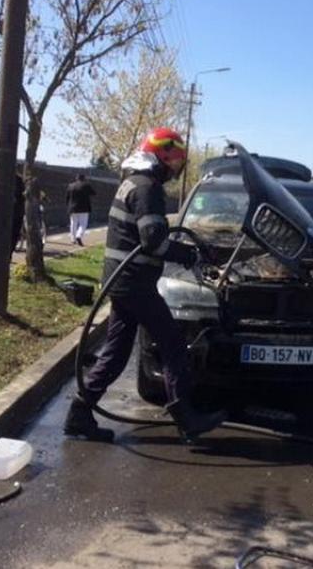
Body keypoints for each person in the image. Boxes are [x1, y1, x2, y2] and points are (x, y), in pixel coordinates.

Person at [64, 127, 227, 442]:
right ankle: (185, 415)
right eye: (176, 161)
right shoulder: (147, 187)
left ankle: (79, 414)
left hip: (124, 281)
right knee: (173, 344)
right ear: (162, 154)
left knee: (116, 351)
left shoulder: (134, 181)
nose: (175, 169)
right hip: (134, 283)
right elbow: (152, 240)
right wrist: (188, 253)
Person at [66, 173, 95, 246]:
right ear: (84, 178)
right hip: (84, 208)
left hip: (72, 208)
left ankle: (73, 239)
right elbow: (93, 193)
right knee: (83, 224)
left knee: (73, 223)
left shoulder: (70, 186)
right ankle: (79, 235)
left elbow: (67, 197)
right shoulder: (86, 185)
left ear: (76, 178)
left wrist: (68, 206)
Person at [10, 172, 25, 257]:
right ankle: (9, 254)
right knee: (14, 234)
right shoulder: (19, 179)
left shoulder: (2, 177)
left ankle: (8, 254)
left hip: (12, 211)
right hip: (17, 211)